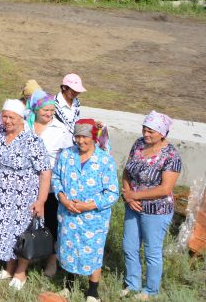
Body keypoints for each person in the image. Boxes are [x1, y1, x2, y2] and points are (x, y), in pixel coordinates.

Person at [0, 100, 52, 291]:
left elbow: (45, 172)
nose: (7, 120)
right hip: (0, 197)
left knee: (21, 234)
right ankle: (8, 267)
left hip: (23, 198)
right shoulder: (0, 136)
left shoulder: (33, 141)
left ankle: (21, 273)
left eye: (11, 117)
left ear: (22, 119)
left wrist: (41, 200)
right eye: (4, 116)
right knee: (6, 233)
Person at [53, 119, 119, 302]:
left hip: (93, 218)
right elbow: (56, 178)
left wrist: (88, 205)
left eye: (85, 137)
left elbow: (112, 192)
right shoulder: (67, 155)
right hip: (68, 214)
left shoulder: (105, 160)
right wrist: (63, 198)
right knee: (68, 249)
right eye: (77, 137)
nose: (81, 141)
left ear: (94, 138)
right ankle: (68, 285)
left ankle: (92, 292)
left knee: (93, 253)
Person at [121, 111, 182, 299]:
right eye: (145, 130)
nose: (146, 134)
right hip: (133, 206)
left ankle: (151, 290)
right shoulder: (139, 144)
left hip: (157, 210)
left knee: (151, 251)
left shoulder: (171, 155)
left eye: (151, 132)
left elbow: (165, 189)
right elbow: (127, 172)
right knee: (129, 247)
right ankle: (133, 284)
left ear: (163, 133)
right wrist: (128, 196)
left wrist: (135, 195)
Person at [28, 89, 73, 277]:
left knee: (51, 223)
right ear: (35, 109)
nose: (48, 113)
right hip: (26, 183)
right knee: (27, 220)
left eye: (51, 110)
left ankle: (52, 261)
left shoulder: (61, 130)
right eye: (45, 110)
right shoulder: (26, 125)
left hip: (51, 185)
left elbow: (68, 157)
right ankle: (28, 253)